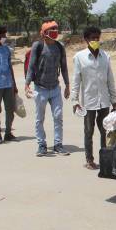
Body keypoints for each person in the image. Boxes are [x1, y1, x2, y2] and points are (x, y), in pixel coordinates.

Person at [72, 26, 116, 170]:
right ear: (86, 40)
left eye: (97, 38)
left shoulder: (106, 56)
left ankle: (105, 159)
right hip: (88, 102)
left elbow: (110, 79)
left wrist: (114, 100)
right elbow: (76, 80)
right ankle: (89, 160)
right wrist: (75, 100)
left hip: (104, 101)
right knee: (88, 131)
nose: (95, 40)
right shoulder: (79, 57)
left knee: (105, 130)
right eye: (92, 38)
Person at [25, 19, 70, 157]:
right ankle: (42, 145)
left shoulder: (60, 47)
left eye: (56, 30)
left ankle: (58, 144)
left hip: (55, 88)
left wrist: (67, 85)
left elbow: (63, 67)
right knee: (40, 118)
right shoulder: (37, 46)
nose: (55, 33)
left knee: (58, 117)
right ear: (44, 33)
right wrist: (27, 84)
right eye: (52, 31)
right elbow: (31, 66)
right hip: (40, 88)